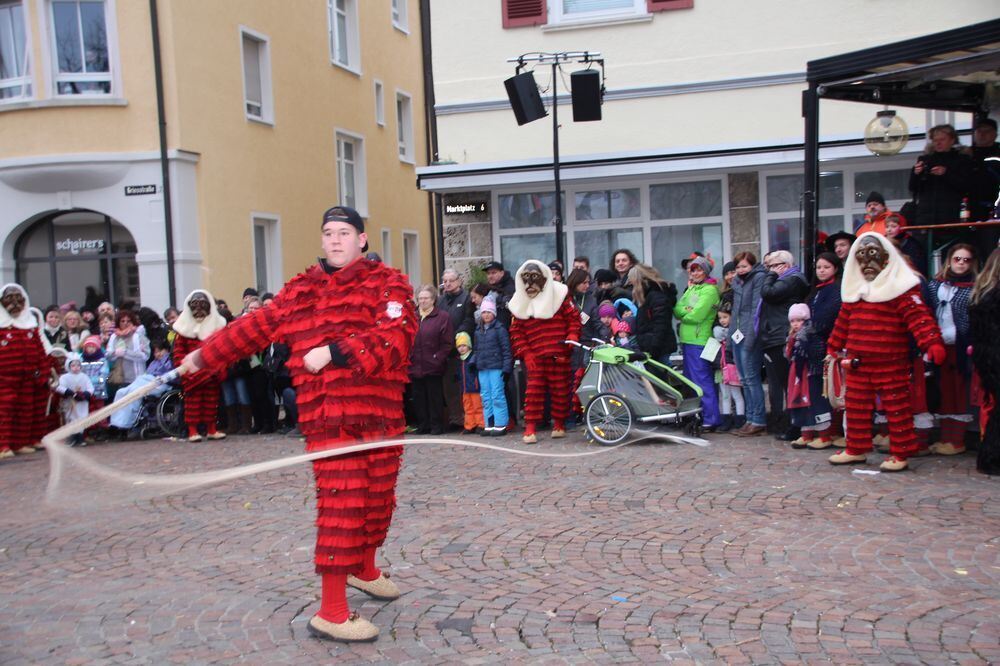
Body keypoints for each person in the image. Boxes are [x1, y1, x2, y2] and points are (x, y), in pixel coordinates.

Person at [179, 205, 417, 643]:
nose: (335, 240)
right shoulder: (300, 290)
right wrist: (201, 356)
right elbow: (254, 327)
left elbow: (397, 335)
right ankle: (332, 611)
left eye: (344, 232)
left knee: (378, 497)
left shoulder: (388, 283)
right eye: (329, 233)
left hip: (381, 414)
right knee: (343, 505)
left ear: (361, 239)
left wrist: (334, 351)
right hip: (329, 417)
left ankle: (363, 569)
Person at [826, 233, 945, 473]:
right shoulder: (856, 290)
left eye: (873, 256)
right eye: (862, 257)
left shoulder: (901, 288)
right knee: (856, 406)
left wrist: (932, 342)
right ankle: (856, 448)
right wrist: (834, 345)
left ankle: (901, 452)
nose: (868, 263)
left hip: (891, 361)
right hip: (858, 361)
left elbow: (919, 317)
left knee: (896, 407)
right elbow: (843, 321)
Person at [509, 260, 580, 444]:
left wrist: (572, 335)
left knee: (561, 390)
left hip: (559, 352)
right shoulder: (519, 301)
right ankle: (530, 427)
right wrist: (526, 353)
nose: (530, 283)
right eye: (526, 278)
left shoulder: (560, 294)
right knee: (533, 391)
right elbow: (516, 331)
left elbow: (573, 318)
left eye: (534, 277)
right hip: (535, 355)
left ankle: (559, 424)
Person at [926, 244, 978, 456]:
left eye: (966, 260)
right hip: (938, 345)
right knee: (942, 391)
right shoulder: (935, 285)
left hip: (960, 346)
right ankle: (944, 437)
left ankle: (955, 440)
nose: (961, 263)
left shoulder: (974, 287)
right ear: (949, 260)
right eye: (957, 259)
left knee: (958, 392)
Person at [758, 250, 809, 440]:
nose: (769, 270)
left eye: (773, 266)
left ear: (785, 265)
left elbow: (768, 293)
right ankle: (786, 424)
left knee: (789, 384)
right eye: (768, 267)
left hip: (780, 335)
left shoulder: (792, 279)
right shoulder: (786, 280)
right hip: (774, 335)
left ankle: (794, 426)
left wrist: (771, 275)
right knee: (780, 382)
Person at [0, 284, 49, 459]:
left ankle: (22, 442)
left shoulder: (30, 325)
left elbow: (40, 349)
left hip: (29, 376)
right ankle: (3, 446)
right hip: (5, 379)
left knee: (26, 411)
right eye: (9, 298)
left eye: (17, 297)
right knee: (5, 412)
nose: (14, 302)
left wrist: (44, 370)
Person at [172, 290, 228, 442]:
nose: (198, 308)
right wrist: (183, 368)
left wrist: (221, 367)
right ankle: (192, 431)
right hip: (191, 374)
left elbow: (222, 349)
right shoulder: (183, 330)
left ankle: (211, 429)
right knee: (193, 404)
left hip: (211, 372)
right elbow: (178, 352)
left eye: (202, 304)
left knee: (211, 402)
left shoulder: (217, 328)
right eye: (195, 305)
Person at [674, 255, 721, 431]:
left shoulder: (710, 290)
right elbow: (677, 309)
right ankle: (700, 415)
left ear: (706, 272)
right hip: (687, 340)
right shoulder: (692, 288)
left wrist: (686, 313)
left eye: (699, 270)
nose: (695, 273)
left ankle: (711, 418)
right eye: (693, 270)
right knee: (692, 382)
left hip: (699, 340)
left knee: (702, 380)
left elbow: (697, 315)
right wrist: (687, 311)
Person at [802, 252, 844, 450]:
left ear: (835, 268)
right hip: (813, 346)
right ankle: (824, 431)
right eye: (819, 267)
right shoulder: (815, 291)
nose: (821, 271)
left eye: (826, 267)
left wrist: (811, 325)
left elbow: (825, 318)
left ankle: (829, 432)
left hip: (828, 345)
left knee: (828, 390)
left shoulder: (836, 291)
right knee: (817, 389)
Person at [729, 252, 769, 437]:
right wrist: (731, 337)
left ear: (752, 265)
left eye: (744, 266)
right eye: (738, 267)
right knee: (744, 380)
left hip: (750, 334)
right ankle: (750, 418)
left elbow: (755, 310)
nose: (741, 270)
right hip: (737, 334)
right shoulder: (737, 281)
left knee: (752, 378)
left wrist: (750, 338)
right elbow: (735, 312)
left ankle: (758, 420)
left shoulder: (758, 278)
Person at [784, 304, 834, 449]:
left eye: (799, 320)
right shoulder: (792, 337)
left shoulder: (812, 334)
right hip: (798, 376)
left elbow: (818, 352)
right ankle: (806, 434)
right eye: (793, 321)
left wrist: (805, 349)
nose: (795, 324)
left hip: (811, 373)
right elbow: (788, 355)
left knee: (816, 403)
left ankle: (824, 436)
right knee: (801, 404)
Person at [969, 248, 1000, 475]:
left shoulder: (981, 294)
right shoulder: (993, 295)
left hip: (986, 357)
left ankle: (989, 457)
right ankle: (991, 458)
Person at [909, 124, 974, 229]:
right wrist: (916, 173)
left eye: (942, 140)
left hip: (951, 215)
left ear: (952, 140)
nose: (938, 143)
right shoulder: (925, 160)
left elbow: (967, 185)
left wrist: (946, 173)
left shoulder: (962, 160)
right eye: (935, 140)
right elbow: (913, 187)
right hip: (926, 216)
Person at [409, 284, 453, 436]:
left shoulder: (442, 317)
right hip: (415, 364)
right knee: (418, 397)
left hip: (433, 364)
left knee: (434, 397)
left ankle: (436, 425)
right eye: (420, 298)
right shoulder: (412, 317)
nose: (423, 301)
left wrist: (438, 358)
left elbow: (447, 343)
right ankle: (423, 425)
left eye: (426, 298)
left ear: (433, 299)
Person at [107, 338, 174, 436]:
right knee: (121, 392)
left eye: (160, 351)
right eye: (155, 352)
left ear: (166, 350)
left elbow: (171, 376)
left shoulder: (170, 361)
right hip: (146, 380)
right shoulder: (154, 362)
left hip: (160, 384)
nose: (158, 354)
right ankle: (116, 423)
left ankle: (125, 424)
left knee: (135, 392)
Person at [437, 269, 474, 430]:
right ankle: (455, 418)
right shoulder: (440, 300)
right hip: (445, 350)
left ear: (459, 281)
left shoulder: (466, 298)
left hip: (462, 348)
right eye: (445, 281)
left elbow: (469, 320)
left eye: (451, 280)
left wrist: (457, 337)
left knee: (465, 385)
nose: (448, 284)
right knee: (449, 387)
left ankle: (469, 418)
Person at [625, 263, 677, 364]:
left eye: (633, 283)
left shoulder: (656, 296)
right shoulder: (649, 296)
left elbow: (661, 325)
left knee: (662, 372)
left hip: (658, 349)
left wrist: (653, 349)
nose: (632, 288)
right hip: (653, 347)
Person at [474, 299, 512, 436]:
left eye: (489, 312)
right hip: (483, 368)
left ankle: (501, 423)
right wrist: (474, 362)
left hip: (496, 367)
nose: (486, 315)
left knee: (497, 395)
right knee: (485, 396)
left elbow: (506, 349)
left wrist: (506, 368)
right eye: (484, 312)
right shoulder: (478, 330)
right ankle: (489, 423)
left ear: (494, 314)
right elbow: (476, 349)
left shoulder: (499, 329)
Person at [106, 310, 150, 403]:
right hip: (119, 378)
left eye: (128, 321)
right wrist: (115, 353)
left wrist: (126, 353)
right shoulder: (114, 337)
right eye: (122, 321)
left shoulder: (138, 336)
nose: (125, 323)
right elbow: (108, 355)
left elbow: (145, 356)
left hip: (136, 377)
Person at [713, 304, 744, 432]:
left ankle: (740, 420)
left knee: (736, 394)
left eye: (725, 317)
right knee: (725, 395)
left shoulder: (736, 333)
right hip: (721, 368)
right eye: (720, 318)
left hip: (732, 367)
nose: (722, 320)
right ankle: (726, 420)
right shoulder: (717, 336)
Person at [57, 353, 94, 447]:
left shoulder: (84, 376)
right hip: (70, 402)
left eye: (78, 365)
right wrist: (69, 392)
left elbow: (90, 388)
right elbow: (60, 387)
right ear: (68, 366)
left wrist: (86, 394)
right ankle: (72, 437)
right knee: (71, 418)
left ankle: (80, 437)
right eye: (73, 365)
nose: (76, 368)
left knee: (82, 418)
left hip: (82, 402)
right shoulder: (65, 377)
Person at [454, 332, 484, 434]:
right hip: (465, 388)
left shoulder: (473, 357)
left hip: (475, 387)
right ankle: (470, 425)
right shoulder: (459, 359)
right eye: (459, 346)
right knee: (468, 407)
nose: (461, 348)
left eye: (464, 345)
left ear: (469, 346)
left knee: (478, 406)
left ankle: (480, 424)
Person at [484, 261, 515, 327]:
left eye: (493, 273)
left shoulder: (510, 287)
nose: (490, 276)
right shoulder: (488, 288)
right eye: (488, 273)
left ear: (502, 273)